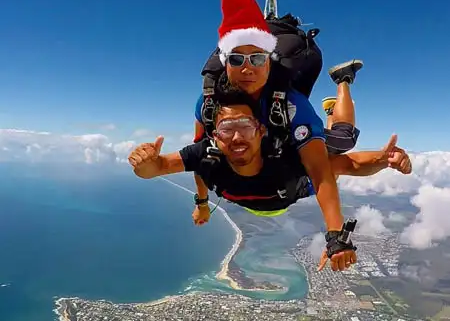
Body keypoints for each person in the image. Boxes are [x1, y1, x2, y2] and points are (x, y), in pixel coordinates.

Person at [128, 87, 412, 272]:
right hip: (275, 194)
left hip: (288, 190)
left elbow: (346, 164)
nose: (237, 137)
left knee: (343, 137)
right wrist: (145, 164)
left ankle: (343, 82)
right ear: (215, 136)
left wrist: (383, 160)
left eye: (245, 127)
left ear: (262, 131)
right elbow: (163, 168)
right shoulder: (207, 155)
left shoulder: (287, 160)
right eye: (227, 128)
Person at [192, 0, 356, 239]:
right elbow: (200, 154)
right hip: (281, 142)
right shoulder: (209, 103)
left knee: (344, 140)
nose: (247, 69)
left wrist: (335, 233)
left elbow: (320, 170)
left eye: (257, 59)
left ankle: (343, 80)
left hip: (292, 135)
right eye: (236, 59)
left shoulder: (291, 105)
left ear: (269, 61)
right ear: (225, 63)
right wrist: (201, 203)